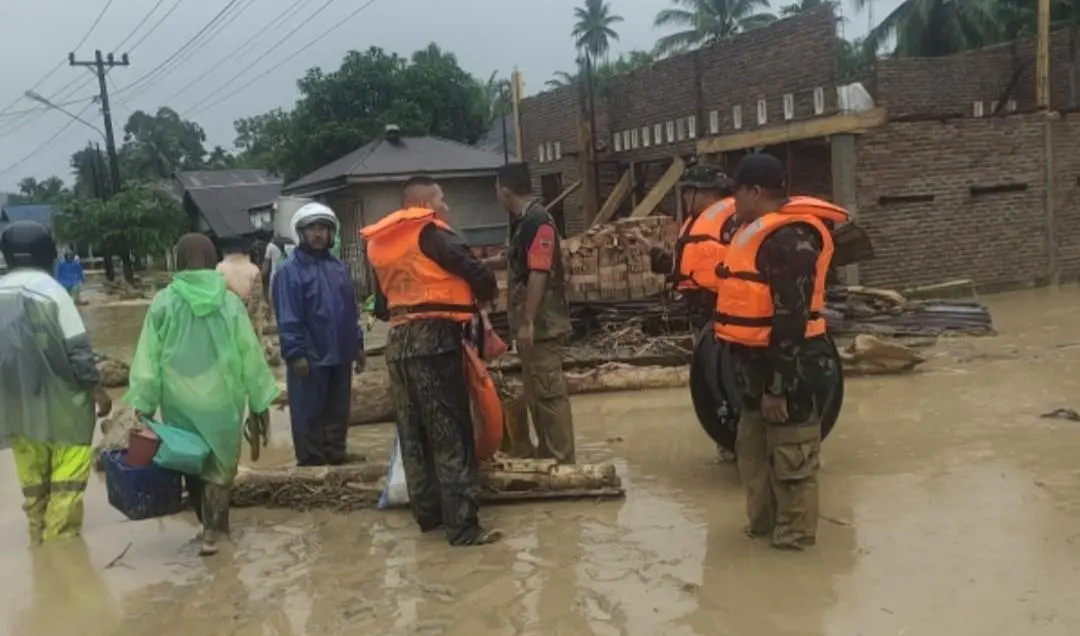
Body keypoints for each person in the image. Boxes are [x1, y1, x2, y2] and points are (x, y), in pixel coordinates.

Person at [713, 153, 848, 550]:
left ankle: (793, 547)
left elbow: (791, 321)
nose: (732, 202)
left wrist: (778, 388)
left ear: (755, 192)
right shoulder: (752, 234)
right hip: (755, 372)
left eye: (736, 192)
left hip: (794, 371)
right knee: (753, 455)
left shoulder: (793, 241)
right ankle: (763, 532)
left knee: (792, 461)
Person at [361, 175, 502, 546]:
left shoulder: (382, 243)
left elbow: (380, 306)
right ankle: (463, 528)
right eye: (442, 200)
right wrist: (487, 296)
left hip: (398, 345)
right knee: (450, 433)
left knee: (414, 435)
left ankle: (429, 517)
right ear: (425, 204)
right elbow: (475, 271)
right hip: (436, 342)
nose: (446, 207)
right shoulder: (431, 233)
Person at [125, 233, 278, 556]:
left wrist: (144, 405)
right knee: (220, 467)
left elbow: (147, 359)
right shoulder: (230, 303)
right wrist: (259, 401)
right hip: (224, 398)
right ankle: (216, 532)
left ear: (178, 261)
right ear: (212, 260)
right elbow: (249, 354)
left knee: (191, 459)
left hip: (179, 398)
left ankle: (206, 526)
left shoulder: (164, 302)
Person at [0, 221, 112, 544]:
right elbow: (78, 351)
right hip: (63, 399)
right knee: (69, 466)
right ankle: (60, 541)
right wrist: (98, 391)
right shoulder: (53, 292)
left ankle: (37, 536)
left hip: (16, 403)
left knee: (31, 471)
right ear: (47, 254)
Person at [493, 162, 576, 464]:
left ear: (505, 190)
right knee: (536, 395)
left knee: (550, 395)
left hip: (543, 326)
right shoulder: (521, 222)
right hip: (530, 328)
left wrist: (528, 321)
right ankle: (546, 458)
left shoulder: (538, 221)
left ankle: (562, 461)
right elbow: (518, 260)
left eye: (496, 189)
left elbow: (539, 272)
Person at [273, 203, 364, 467]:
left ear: (331, 233)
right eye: (311, 228)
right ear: (301, 233)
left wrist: (357, 345)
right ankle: (311, 460)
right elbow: (288, 316)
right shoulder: (290, 271)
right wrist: (295, 353)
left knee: (338, 407)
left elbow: (351, 310)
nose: (317, 234)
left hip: (341, 350)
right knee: (308, 410)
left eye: (323, 228)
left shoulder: (339, 268)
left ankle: (336, 453)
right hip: (310, 354)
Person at [636, 163, 737, 320]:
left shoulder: (733, 223)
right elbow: (686, 266)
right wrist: (651, 252)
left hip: (721, 311)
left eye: (688, 191)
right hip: (696, 308)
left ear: (706, 191)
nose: (684, 196)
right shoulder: (697, 221)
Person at [216, 236, 263, 328]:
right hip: (250, 321)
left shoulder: (219, 268)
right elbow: (256, 298)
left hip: (229, 317)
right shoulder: (254, 269)